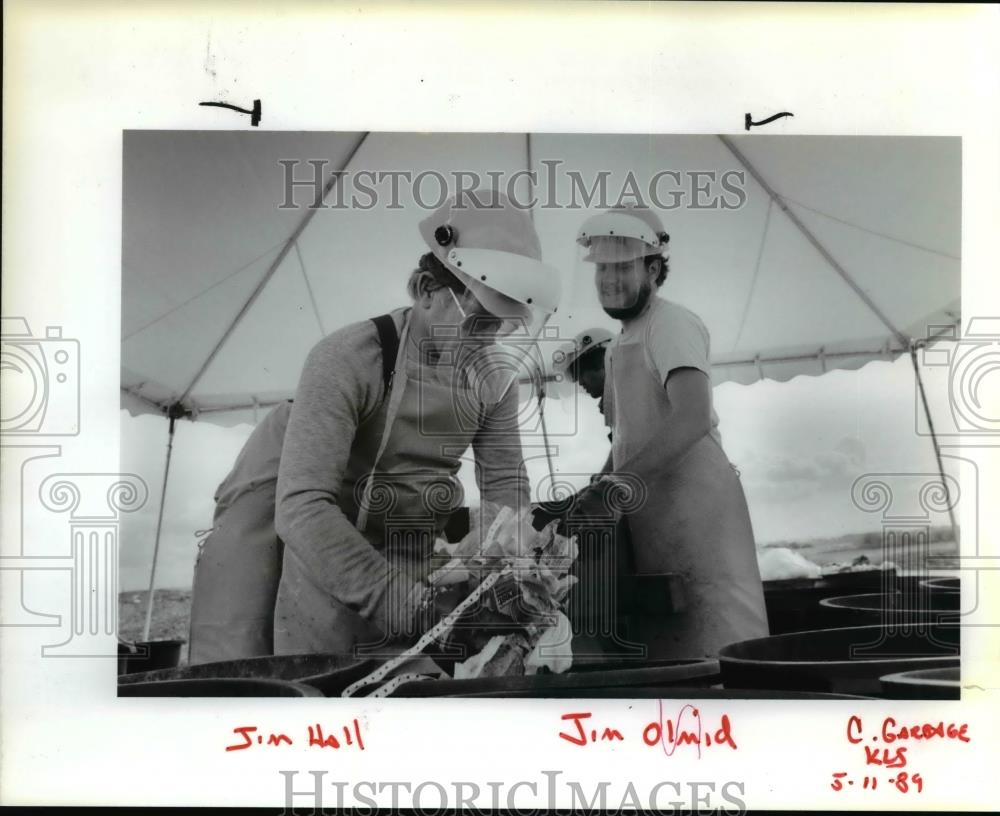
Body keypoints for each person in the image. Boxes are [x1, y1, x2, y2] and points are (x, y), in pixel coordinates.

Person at [272, 191, 562, 658]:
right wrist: (409, 606)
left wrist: (498, 561)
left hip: (423, 584)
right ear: (426, 290)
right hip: (326, 597)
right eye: (477, 323)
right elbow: (302, 507)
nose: (486, 342)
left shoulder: (495, 380)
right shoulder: (348, 360)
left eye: (501, 327)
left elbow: (506, 485)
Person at [575, 205, 769, 660]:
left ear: (654, 268)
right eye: (602, 268)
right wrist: (596, 486)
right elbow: (626, 438)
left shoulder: (671, 323)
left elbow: (692, 416)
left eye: (622, 267)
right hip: (655, 525)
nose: (609, 280)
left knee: (724, 652)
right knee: (674, 656)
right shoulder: (618, 343)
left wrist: (618, 485)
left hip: (701, 519)